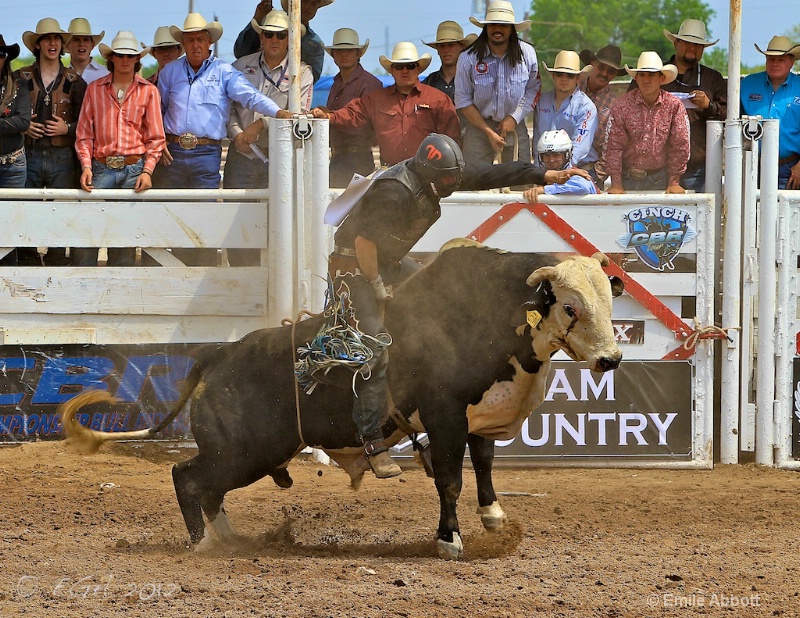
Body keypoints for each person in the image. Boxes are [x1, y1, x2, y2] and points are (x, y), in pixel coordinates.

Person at [329, 133, 592, 477]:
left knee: (438, 300)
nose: (453, 183)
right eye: (448, 180)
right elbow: (363, 243)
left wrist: (544, 176)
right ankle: (372, 438)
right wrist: (378, 287)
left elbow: (489, 175)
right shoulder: (394, 192)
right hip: (355, 267)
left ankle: (423, 407)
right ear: (430, 173)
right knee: (376, 341)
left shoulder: (437, 174)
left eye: (455, 177)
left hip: (389, 260)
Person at [154, 12, 291, 266]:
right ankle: (172, 277)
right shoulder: (170, 72)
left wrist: (277, 112)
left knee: (205, 216)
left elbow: (249, 95)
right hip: (171, 150)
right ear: (183, 44)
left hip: (205, 154)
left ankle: (203, 275)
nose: (195, 45)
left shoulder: (224, 72)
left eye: (200, 40)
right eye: (190, 40)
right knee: (171, 213)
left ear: (209, 43)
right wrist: (158, 141)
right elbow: (156, 111)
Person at [225, 9, 313, 266]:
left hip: (278, 157)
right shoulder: (241, 66)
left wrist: (261, 125)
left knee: (279, 221)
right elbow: (227, 107)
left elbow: (300, 115)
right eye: (269, 34)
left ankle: (274, 281)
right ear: (260, 37)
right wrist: (237, 133)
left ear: (289, 39)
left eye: (281, 35)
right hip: (241, 154)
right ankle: (243, 282)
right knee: (235, 220)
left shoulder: (302, 73)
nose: (274, 40)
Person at [74, 31, 165, 267]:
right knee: (88, 229)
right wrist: (86, 166)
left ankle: (119, 292)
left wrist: (147, 171)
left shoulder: (149, 91)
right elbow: (84, 134)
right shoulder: (94, 89)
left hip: (134, 167)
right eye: (120, 55)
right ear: (111, 58)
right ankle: (82, 286)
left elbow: (156, 136)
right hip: (101, 167)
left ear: (137, 59)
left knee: (125, 235)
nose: (125, 60)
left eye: (130, 56)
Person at [311, 42, 460, 167]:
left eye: (410, 66)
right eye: (399, 67)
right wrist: (330, 116)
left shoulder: (438, 99)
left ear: (418, 68)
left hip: (427, 172)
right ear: (392, 70)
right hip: (390, 173)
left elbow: (451, 137)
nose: (405, 71)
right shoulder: (376, 99)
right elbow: (354, 113)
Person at [17, 18, 87, 266]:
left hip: (62, 156)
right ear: (38, 45)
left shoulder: (76, 82)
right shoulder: (19, 78)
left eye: (57, 38)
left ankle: (57, 264)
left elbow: (89, 124)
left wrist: (66, 128)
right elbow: (6, 116)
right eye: (47, 38)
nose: (53, 43)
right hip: (29, 154)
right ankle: (26, 265)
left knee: (61, 213)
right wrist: (23, 128)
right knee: (25, 211)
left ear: (62, 44)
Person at [455, 0, 540, 164]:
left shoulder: (527, 54)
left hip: (515, 124)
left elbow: (534, 90)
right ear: (486, 27)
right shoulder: (468, 58)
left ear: (512, 28)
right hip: (479, 127)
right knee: (474, 182)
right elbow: (462, 100)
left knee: (520, 181)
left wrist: (514, 118)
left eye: (504, 25)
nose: (498, 29)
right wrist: (488, 132)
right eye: (493, 24)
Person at [655, 19, 727, 191]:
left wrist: (709, 106)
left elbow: (729, 116)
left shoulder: (713, 79)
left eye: (698, 45)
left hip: (699, 168)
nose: (692, 48)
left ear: (703, 50)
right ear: (676, 43)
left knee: (703, 216)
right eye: (687, 43)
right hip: (656, 170)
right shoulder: (653, 74)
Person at [605, 52, 689, 194]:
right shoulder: (621, 105)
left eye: (651, 75)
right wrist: (616, 182)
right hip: (627, 178)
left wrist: (674, 181)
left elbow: (680, 144)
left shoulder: (674, 106)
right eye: (642, 75)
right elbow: (613, 146)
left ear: (661, 78)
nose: (646, 80)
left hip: (660, 178)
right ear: (636, 78)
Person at [323, 28, 382, 188]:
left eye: (349, 50)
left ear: (358, 54)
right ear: (333, 55)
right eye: (340, 51)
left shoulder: (369, 83)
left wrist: (330, 116)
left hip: (358, 157)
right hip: (338, 157)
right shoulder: (336, 83)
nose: (344, 55)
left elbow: (361, 118)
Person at [741, 36, 800, 190]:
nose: (775, 64)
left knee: (787, 213)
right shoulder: (747, 84)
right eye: (771, 59)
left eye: (781, 60)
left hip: (791, 168)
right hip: (752, 165)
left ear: (791, 62)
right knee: (751, 212)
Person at [233, 0, 331, 82]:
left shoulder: (315, 43)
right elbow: (240, 52)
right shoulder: (268, 24)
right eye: (305, 1)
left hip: (288, 96)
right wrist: (258, 18)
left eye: (314, 3)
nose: (309, 7)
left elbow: (311, 79)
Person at [533, 50, 597, 169]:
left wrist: (563, 171)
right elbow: (537, 138)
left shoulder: (586, 107)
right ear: (553, 76)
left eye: (570, 75)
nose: (564, 78)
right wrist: (539, 170)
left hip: (579, 169)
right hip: (546, 170)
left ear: (578, 78)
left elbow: (580, 145)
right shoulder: (542, 101)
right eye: (559, 74)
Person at [578, 44, 625, 183]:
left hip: (588, 171)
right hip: (555, 164)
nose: (604, 73)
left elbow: (611, 149)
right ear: (592, 64)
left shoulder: (615, 107)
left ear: (615, 75)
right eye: (601, 67)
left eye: (610, 71)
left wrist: (595, 176)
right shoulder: (572, 87)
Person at [524, 129, 598, 201]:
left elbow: (583, 187)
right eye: (546, 156)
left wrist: (544, 190)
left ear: (567, 155)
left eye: (556, 155)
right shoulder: (545, 179)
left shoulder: (577, 175)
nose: (551, 160)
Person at [0, 34, 31, 191]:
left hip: (13, 164)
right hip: (14, 161)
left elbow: (24, 121)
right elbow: (17, 122)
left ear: (5, 59)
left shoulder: (19, 85)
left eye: (1, 54)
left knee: (14, 213)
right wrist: (9, 123)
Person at [66, 18, 109, 85]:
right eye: (76, 40)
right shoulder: (61, 77)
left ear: (92, 45)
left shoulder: (106, 74)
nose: (81, 44)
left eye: (85, 40)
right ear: (68, 45)